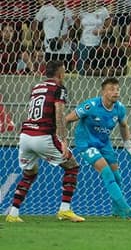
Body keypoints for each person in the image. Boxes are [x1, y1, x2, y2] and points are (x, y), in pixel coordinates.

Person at [5, 61, 84, 223]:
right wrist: (62, 140)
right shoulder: (59, 89)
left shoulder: (36, 88)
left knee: (29, 174)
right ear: (60, 73)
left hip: (26, 136)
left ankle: (12, 213)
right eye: (64, 71)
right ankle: (64, 209)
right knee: (72, 167)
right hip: (43, 135)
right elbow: (60, 114)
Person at [65, 77, 131, 221]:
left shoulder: (119, 108)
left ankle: (117, 211)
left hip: (104, 143)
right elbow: (67, 119)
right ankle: (128, 210)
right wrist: (63, 141)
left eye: (117, 89)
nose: (116, 92)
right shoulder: (91, 105)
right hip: (86, 144)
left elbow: (124, 126)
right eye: (112, 89)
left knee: (117, 177)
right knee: (107, 173)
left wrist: (129, 149)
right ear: (104, 92)